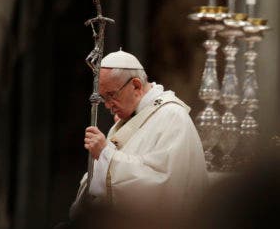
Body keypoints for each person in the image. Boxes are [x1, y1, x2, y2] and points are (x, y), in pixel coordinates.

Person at [69, 50, 208, 227]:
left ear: (136, 86)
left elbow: (164, 188)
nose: (107, 105)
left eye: (111, 95)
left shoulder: (172, 117)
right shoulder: (133, 118)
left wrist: (106, 154)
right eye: (104, 98)